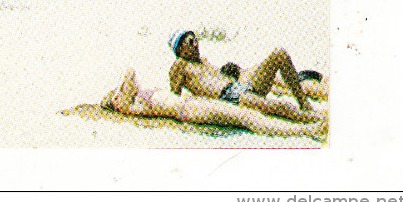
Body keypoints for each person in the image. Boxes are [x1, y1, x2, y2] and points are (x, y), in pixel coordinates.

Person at [101, 69, 326, 142]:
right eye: (113, 96)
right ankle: (307, 131)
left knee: (247, 115)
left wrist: (118, 92)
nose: (115, 94)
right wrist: (115, 96)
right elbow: (130, 74)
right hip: (190, 110)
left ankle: (310, 125)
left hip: (193, 105)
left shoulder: (135, 98)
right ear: (116, 103)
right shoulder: (128, 105)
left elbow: (130, 80)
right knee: (247, 118)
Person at [167, 30, 323, 123]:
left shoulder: (203, 61)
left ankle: (305, 104)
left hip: (241, 86)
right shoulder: (179, 66)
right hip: (229, 97)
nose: (196, 45)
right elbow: (174, 100)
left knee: (279, 54)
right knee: (280, 108)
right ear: (180, 47)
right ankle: (317, 120)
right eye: (191, 42)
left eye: (196, 40)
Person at [221, 62, 329, 101]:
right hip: (301, 75)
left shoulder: (244, 78)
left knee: (320, 92)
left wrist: (285, 93)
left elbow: (273, 88)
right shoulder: (254, 68)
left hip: (296, 82)